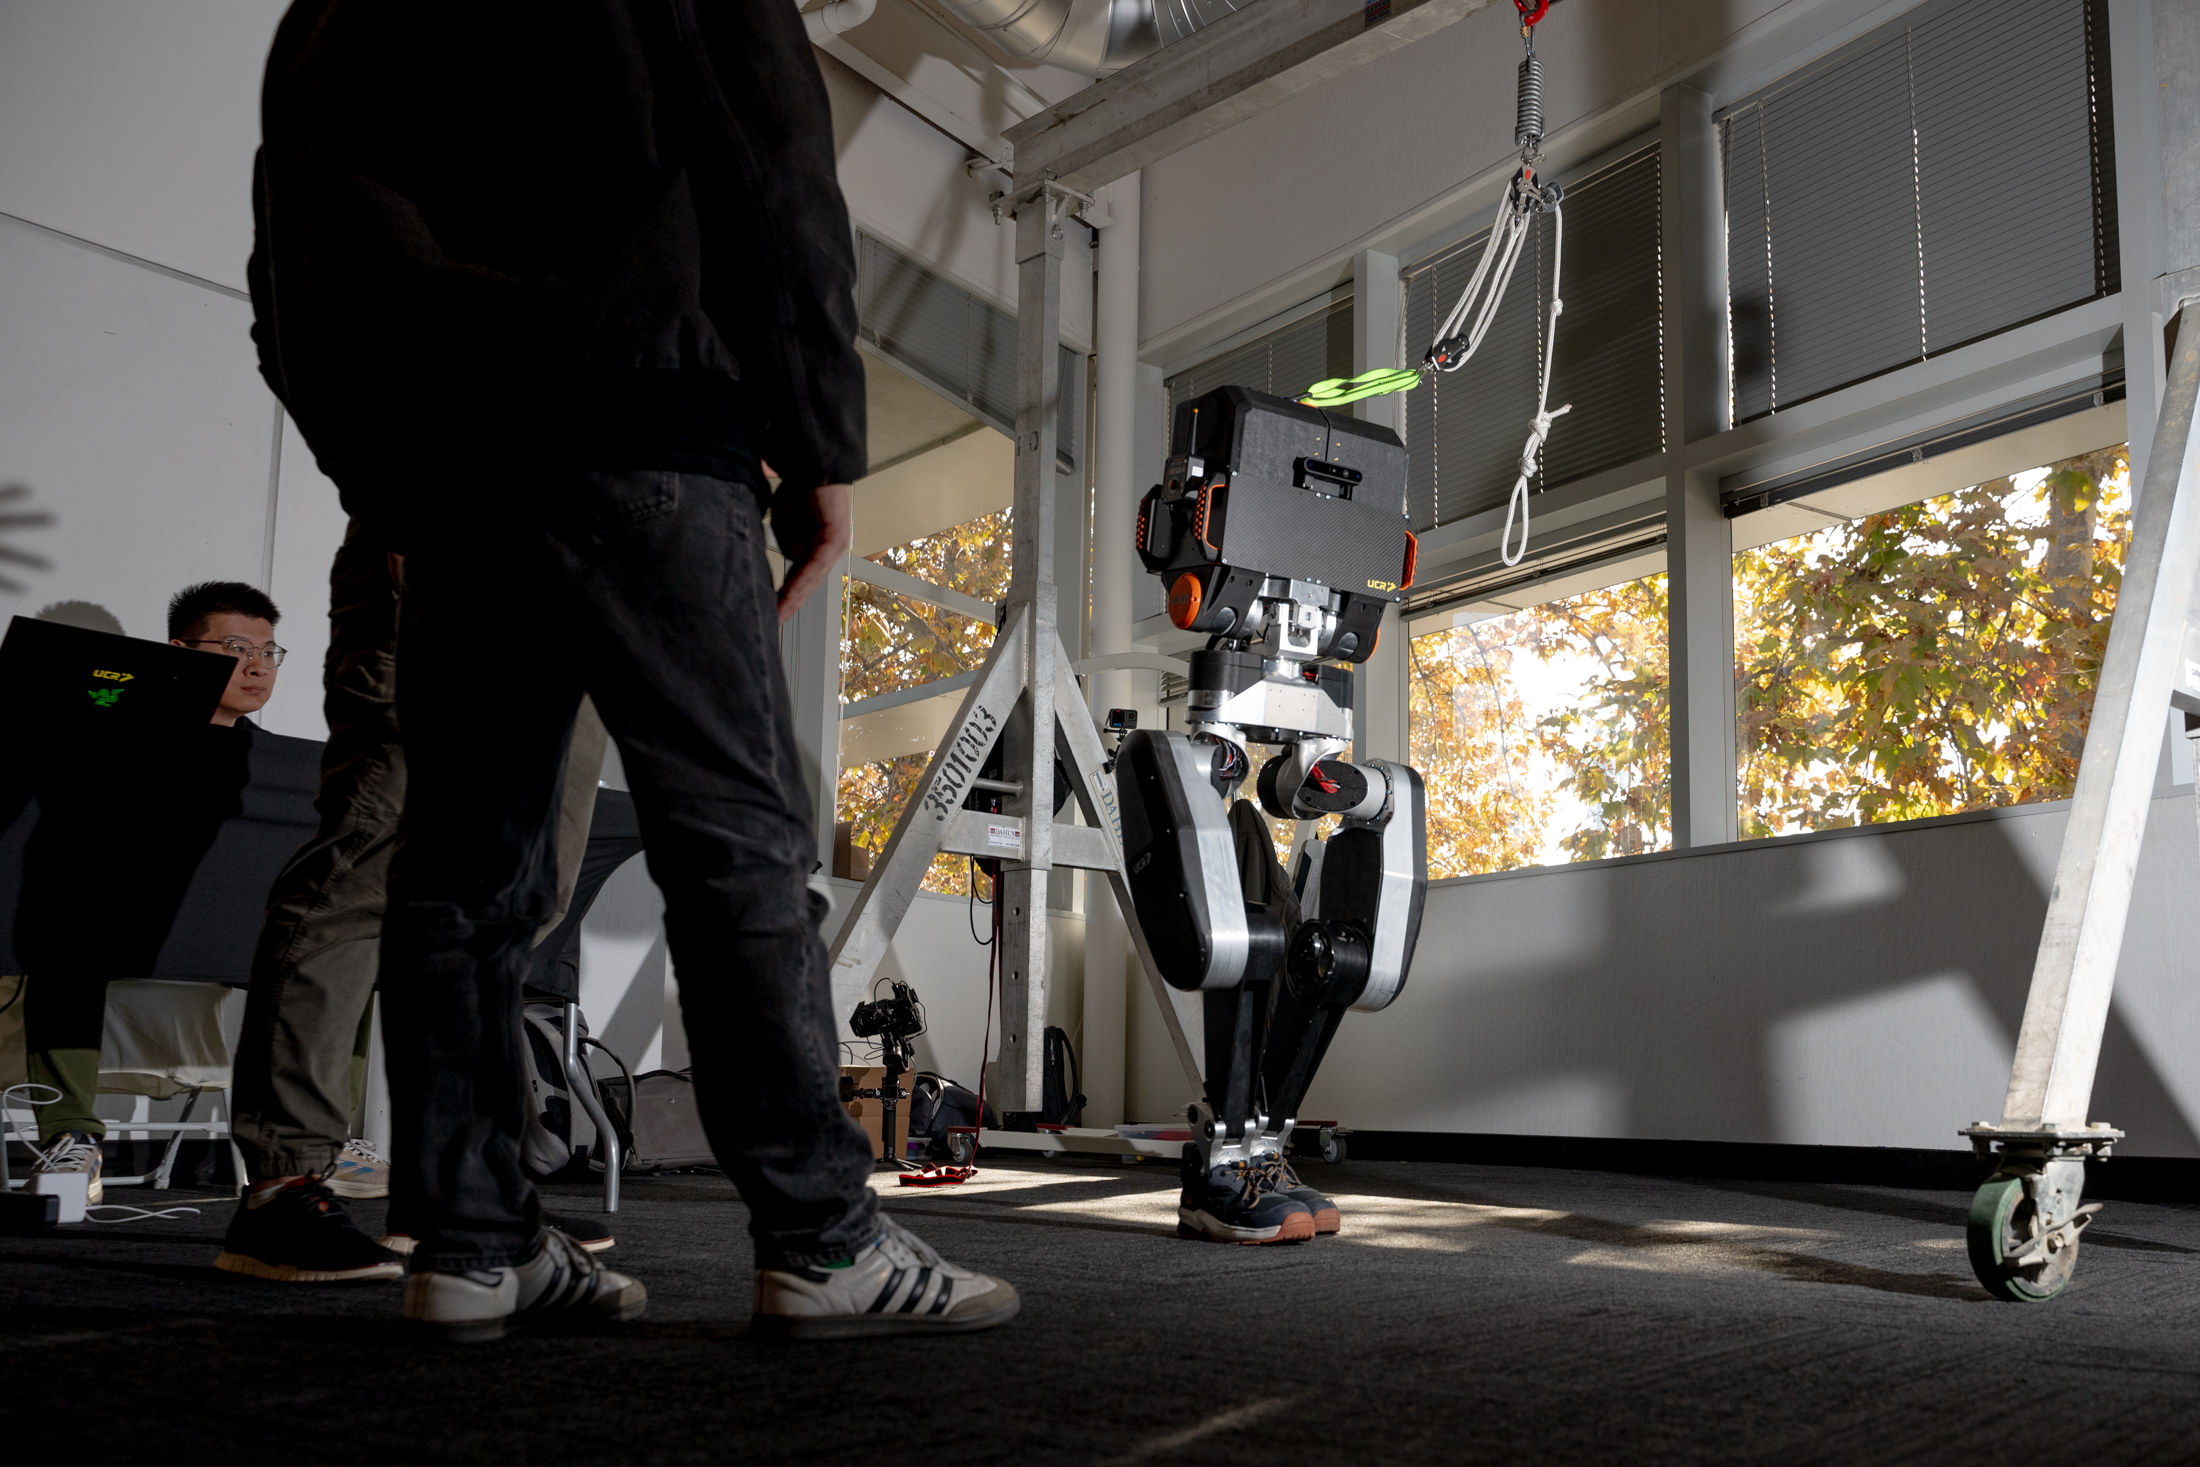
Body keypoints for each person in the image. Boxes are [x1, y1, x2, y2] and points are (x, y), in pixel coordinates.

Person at [251, 0, 1016, 1340]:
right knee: (737, 843)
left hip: (458, 474)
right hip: (649, 425)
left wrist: (390, 480)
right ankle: (820, 1237)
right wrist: (822, 441)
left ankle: (472, 1243)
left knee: (460, 874)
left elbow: (296, 252)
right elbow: (775, 175)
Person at [213, 524, 615, 1285]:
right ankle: (282, 1183)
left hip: (584, 584)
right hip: (450, 530)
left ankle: (446, 1190)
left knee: (525, 889)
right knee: (367, 863)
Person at [18, 582, 282, 1201]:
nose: (256, 665)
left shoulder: (284, 772)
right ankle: (72, 1139)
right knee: (64, 934)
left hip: (237, 944)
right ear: (180, 653)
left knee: (345, 955)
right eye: (236, 646)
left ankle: (316, 1153)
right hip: (123, 935)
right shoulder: (104, 750)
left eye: (270, 651)